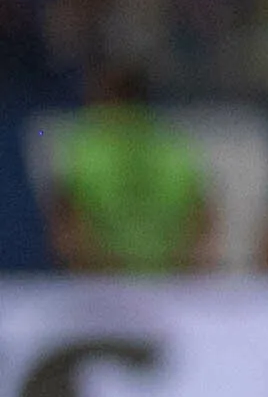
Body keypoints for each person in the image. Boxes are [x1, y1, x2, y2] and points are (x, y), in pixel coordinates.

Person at [49, 64, 214, 274]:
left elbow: (65, 230)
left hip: (103, 279)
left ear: (106, 98)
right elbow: (203, 221)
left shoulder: (87, 149)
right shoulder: (173, 147)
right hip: (166, 280)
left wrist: (91, 272)